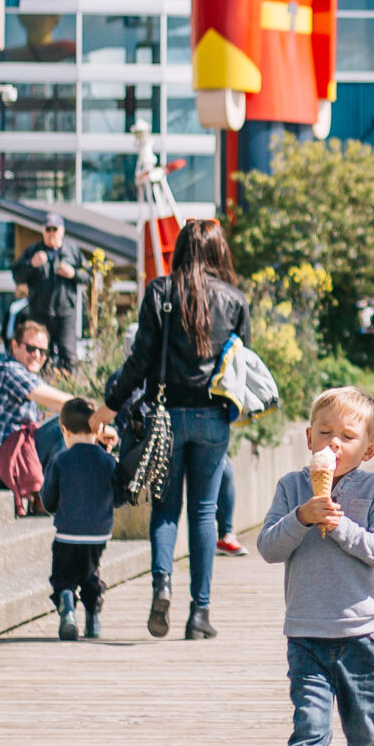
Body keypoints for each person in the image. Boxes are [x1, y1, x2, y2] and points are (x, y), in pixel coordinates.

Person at [264, 386, 374, 746]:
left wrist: (341, 528)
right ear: (307, 437)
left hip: (364, 633)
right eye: (325, 432)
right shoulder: (291, 488)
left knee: (365, 732)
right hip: (306, 632)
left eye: (348, 436)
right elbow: (268, 547)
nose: (334, 444)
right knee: (308, 730)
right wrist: (301, 518)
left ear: (370, 449)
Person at [101, 216, 248, 642]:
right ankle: (199, 613)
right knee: (204, 511)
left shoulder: (160, 293)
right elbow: (240, 366)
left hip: (166, 416)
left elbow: (140, 361)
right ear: (219, 251)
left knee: (165, 509)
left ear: (180, 249)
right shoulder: (234, 300)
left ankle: (162, 584)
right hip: (213, 418)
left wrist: (109, 405)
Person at [41, 399, 119, 641]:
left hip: (67, 532)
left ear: (64, 430)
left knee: (64, 575)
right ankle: (93, 620)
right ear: (97, 429)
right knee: (90, 574)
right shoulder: (108, 461)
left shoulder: (60, 460)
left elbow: (48, 498)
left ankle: (67, 602)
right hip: (98, 534)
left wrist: (56, 510)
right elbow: (118, 497)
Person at [0, 319, 70, 490]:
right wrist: (98, 420)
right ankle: (46, 495)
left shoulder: (20, 373)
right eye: (31, 348)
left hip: (5, 464)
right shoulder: (10, 371)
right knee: (65, 424)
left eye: (42, 351)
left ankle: (49, 494)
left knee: (70, 428)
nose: (37, 355)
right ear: (14, 346)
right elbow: (64, 403)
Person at [15, 215, 87, 370]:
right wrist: (31, 264)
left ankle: (69, 390)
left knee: (68, 355)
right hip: (39, 314)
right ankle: (40, 389)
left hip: (65, 313)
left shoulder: (72, 250)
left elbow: (88, 276)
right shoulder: (33, 250)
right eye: (48, 229)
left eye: (55, 229)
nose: (51, 233)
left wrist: (73, 274)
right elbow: (17, 274)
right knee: (39, 354)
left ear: (62, 231)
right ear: (43, 230)